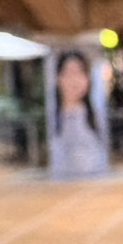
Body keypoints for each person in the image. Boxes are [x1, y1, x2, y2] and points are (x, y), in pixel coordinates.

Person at [51, 49, 107, 177]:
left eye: (80, 72)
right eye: (69, 73)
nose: (75, 80)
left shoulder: (94, 116)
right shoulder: (55, 118)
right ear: (59, 78)